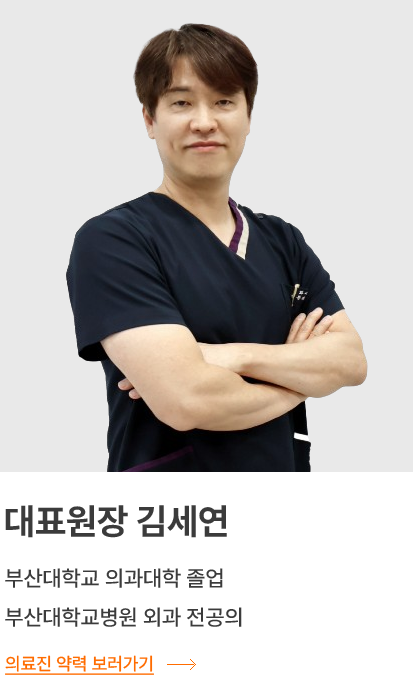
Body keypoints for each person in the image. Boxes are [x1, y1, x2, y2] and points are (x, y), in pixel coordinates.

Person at [66, 23, 367, 472]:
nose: (204, 121)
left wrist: (228, 356)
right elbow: (187, 400)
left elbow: (351, 361)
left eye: (224, 101)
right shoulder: (114, 240)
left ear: (248, 116)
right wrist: (301, 380)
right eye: (181, 102)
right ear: (149, 119)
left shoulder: (282, 240)